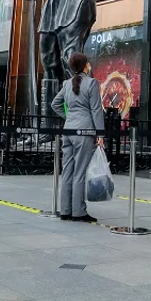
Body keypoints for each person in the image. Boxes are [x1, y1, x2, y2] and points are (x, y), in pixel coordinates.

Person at [50, 52, 105, 222]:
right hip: (85, 131)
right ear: (85, 65)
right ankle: (79, 212)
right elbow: (96, 110)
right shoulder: (92, 83)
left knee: (68, 170)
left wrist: (69, 117)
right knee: (80, 172)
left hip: (69, 131)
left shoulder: (66, 84)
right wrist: (100, 134)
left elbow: (54, 104)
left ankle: (65, 210)